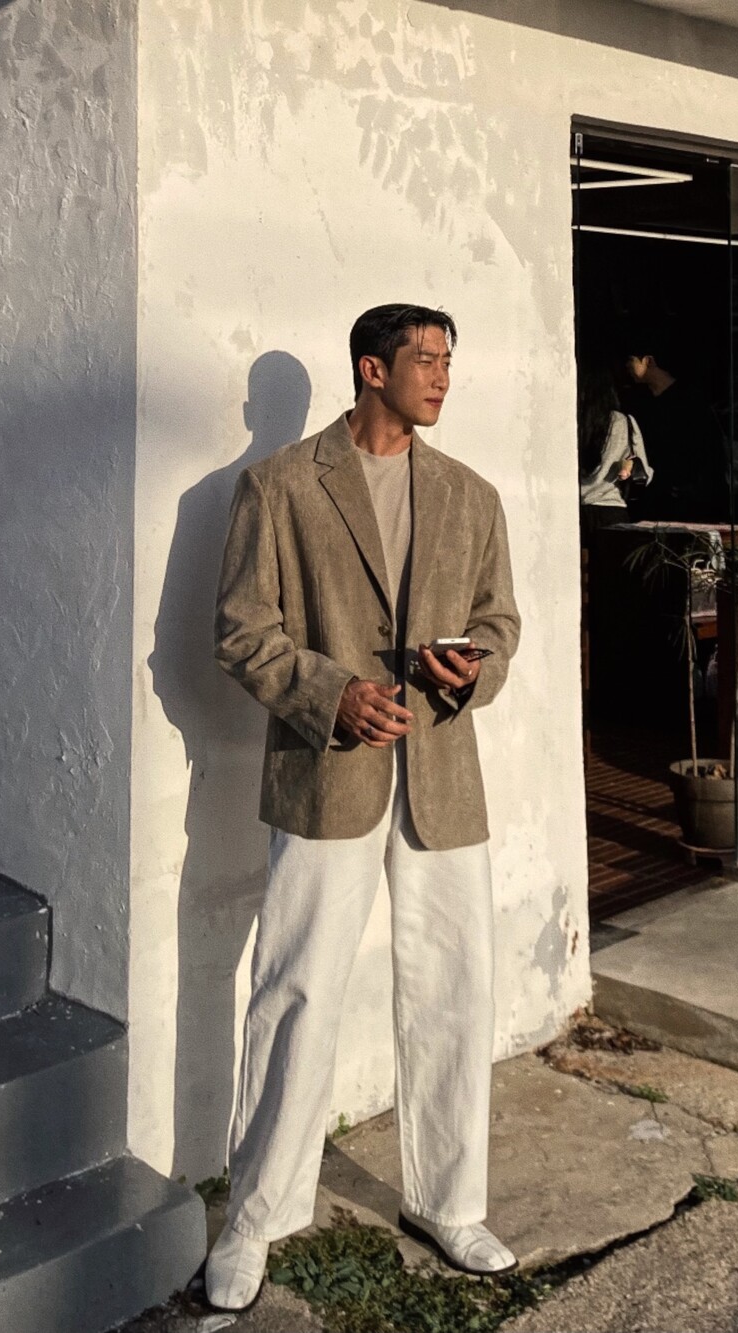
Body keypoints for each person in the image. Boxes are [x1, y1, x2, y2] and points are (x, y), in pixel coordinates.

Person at [207, 303, 522, 1311]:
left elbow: (498, 625)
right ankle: (255, 1217)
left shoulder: (469, 494)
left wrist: (470, 670)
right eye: (423, 358)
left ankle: (449, 1202)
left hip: (442, 780)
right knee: (295, 989)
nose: (441, 375)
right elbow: (242, 631)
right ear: (370, 368)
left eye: (447, 359)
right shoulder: (279, 486)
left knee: (454, 987)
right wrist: (329, 694)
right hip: (328, 773)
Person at [623, 345, 729, 522]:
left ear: (648, 361)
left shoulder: (690, 400)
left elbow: (708, 449)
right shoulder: (640, 401)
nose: (626, 366)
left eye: (631, 360)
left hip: (686, 496)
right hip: (654, 492)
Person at [578, 362, 652, 544]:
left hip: (574, 512)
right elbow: (644, 473)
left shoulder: (571, 423)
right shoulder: (624, 422)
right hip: (611, 511)